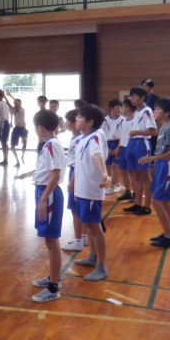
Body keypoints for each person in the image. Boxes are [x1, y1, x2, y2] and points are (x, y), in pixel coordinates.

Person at [16, 110, 66, 301]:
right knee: (49, 240)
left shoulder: (51, 145)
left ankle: (54, 287)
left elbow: (55, 174)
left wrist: (44, 200)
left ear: (40, 128)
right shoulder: (51, 144)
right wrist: (29, 174)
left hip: (49, 194)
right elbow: (45, 169)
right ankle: (54, 277)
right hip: (45, 192)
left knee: (52, 241)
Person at [72, 104, 109, 281]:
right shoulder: (82, 138)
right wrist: (73, 184)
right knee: (87, 226)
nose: (76, 119)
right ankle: (93, 256)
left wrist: (104, 173)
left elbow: (97, 156)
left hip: (90, 191)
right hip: (81, 190)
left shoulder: (94, 138)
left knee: (95, 227)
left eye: (80, 117)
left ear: (90, 122)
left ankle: (101, 266)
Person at [138, 98, 170, 248]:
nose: (154, 111)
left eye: (157, 109)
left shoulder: (169, 128)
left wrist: (151, 158)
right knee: (164, 201)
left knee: (157, 200)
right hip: (162, 165)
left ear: (166, 113)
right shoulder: (163, 128)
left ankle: (169, 237)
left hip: (168, 166)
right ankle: (167, 232)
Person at [123, 86, 157, 216]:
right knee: (136, 175)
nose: (132, 99)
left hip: (141, 143)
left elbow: (154, 132)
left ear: (142, 97)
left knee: (145, 176)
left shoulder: (147, 111)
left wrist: (137, 132)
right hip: (132, 143)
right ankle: (138, 203)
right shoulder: (137, 112)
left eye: (134, 96)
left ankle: (147, 206)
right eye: (130, 96)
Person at [61, 109, 85, 252]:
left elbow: (78, 163)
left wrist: (72, 182)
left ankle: (78, 240)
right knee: (78, 208)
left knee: (75, 209)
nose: (65, 123)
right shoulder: (76, 138)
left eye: (67, 121)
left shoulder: (79, 139)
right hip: (75, 172)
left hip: (76, 173)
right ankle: (84, 236)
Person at [101, 99, 124, 195]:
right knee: (108, 166)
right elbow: (101, 135)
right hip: (107, 144)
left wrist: (118, 147)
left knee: (115, 165)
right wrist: (107, 148)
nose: (120, 109)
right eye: (118, 107)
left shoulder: (122, 120)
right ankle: (116, 184)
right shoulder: (104, 120)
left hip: (118, 143)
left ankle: (112, 187)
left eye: (120, 107)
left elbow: (123, 135)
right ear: (111, 108)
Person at [116, 99, 135, 202]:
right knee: (123, 170)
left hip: (130, 148)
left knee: (131, 172)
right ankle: (128, 192)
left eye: (122, 107)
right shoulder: (123, 120)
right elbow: (121, 135)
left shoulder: (135, 120)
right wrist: (118, 147)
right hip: (123, 148)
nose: (121, 109)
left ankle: (136, 193)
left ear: (127, 108)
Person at [5, 92, 28, 167]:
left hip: (23, 128)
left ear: (20, 104)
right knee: (12, 147)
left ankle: (23, 156)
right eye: (14, 104)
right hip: (16, 129)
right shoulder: (13, 110)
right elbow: (8, 104)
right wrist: (4, 96)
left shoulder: (22, 110)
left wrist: (10, 95)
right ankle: (17, 161)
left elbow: (17, 103)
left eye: (17, 104)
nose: (16, 105)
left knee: (25, 141)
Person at [142, 79, 159, 155]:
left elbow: (157, 112)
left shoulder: (156, 98)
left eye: (145, 86)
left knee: (151, 146)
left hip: (151, 125)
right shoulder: (141, 98)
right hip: (141, 125)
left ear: (151, 88)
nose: (143, 88)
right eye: (142, 86)